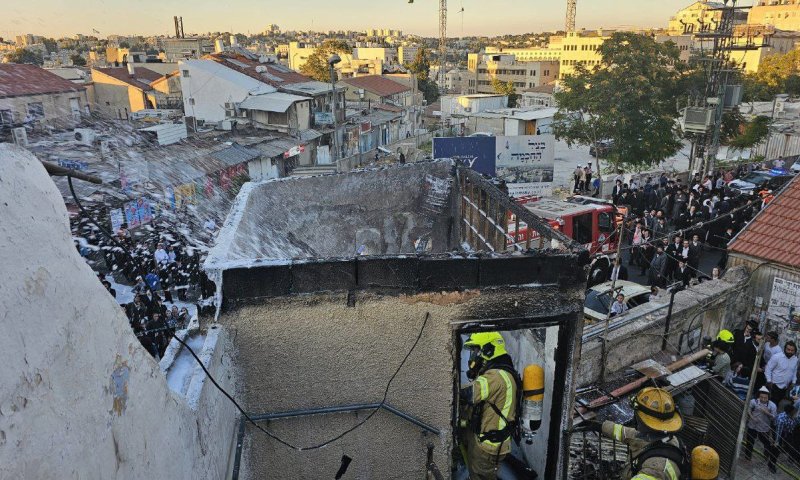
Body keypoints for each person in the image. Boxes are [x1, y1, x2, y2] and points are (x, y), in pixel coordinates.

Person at [577, 388, 687, 480]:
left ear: (640, 419)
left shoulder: (654, 471)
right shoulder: (668, 439)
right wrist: (600, 426)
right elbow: (626, 433)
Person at [460, 332, 519, 480]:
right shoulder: (499, 371)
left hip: (489, 446)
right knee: (476, 471)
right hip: (486, 439)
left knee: (481, 475)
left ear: (488, 350)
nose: (473, 355)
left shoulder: (496, 376)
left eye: (476, 350)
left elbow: (469, 393)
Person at [745, 386, 777, 473]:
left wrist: (767, 413)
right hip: (753, 426)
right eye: (761, 397)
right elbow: (748, 410)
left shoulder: (772, 405)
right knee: (750, 441)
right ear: (759, 396)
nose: (763, 399)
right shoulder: (754, 402)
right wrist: (752, 417)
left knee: (766, 443)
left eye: (765, 398)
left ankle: (766, 454)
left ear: (768, 397)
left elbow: (774, 418)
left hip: (764, 428)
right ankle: (748, 457)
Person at [765, 341, 798, 405]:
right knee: (770, 403)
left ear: (794, 351)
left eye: (792, 350)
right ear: (785, 349)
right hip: (774, 385)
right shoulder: (777, 357)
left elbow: (794, 371)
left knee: (777, 402)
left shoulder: (795, 359)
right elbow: (768, 368)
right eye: (788, 349)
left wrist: (793, 382)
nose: (790, 352)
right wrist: (769, 381)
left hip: (785, 387)